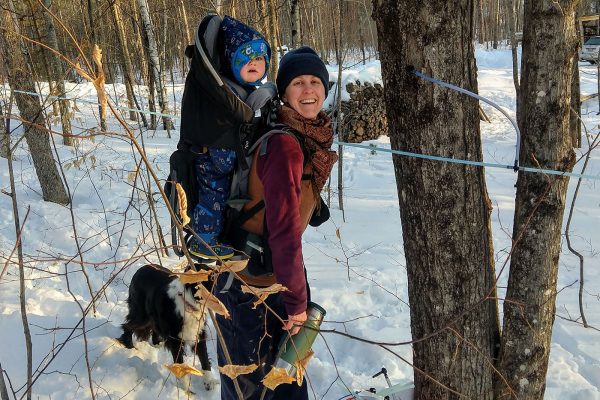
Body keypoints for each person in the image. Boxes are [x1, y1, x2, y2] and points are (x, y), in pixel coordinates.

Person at [214, 46, 337, 400]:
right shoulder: (285, 145)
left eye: (315, 81)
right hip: (252, 286)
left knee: (278, 378)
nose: (308, 90)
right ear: (283, 91)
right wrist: (297, 303)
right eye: (298, 82)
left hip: (270, 275)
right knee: (253, 385)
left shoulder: (302, 137)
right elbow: (283, 233)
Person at [187, 15, 271, 260]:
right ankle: (204, 240)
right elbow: (236, 117)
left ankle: (222, 234)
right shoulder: (224, 89)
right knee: (214, 196)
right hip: (214, 157)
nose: (254, 63)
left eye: (259, 58)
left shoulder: (243, 88)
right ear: (230, 61)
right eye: (245, 58)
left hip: (228, 153)